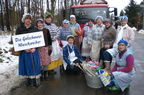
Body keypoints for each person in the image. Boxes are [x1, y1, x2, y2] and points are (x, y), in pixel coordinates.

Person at [16, 13, 41, 87]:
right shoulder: (19, 29)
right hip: (24, 51)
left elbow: (38, 40)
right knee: (26, 65)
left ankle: (34, 80)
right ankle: (28, 79)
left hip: (33, 51)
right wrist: (24, 48)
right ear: (23, 20)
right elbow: (17, 41)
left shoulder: (35, 28)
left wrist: (35, 48)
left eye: (29, 19)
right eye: (27, 18)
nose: (28, 20)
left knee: (34, 65)